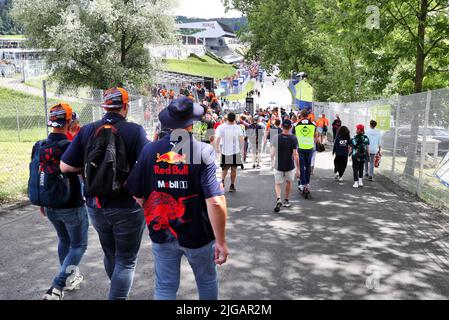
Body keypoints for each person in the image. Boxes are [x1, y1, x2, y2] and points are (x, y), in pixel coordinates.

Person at [127, 97, 228, 300]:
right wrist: (221, 241)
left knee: (165, 287)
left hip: (162, 232)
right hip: (199, 236)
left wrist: (156, 211)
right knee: (207, 282)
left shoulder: (149, 150)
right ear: (192, 123)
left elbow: (137, 195)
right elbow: (215, 201)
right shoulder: (203, 151)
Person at [60, 87, 148, 300]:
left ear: (105, 106)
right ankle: (118, 294)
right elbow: (147, 164)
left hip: (96, 205)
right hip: (127, 206)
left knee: (110, 253)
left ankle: (117, 287)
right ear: (125, 107)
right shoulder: (135, 131)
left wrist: (91, 171)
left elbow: (64, 167)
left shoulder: (87, 130)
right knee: (126, 260)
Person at [33, 104, 88, 300]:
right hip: (71, 204)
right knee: (79, 245)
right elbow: (83, 171)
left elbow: (38, 174)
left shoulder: (40, 145)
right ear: (68, 121)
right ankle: (56, 287)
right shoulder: (69, 146)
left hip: (49, 204)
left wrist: (41, 201)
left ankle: (70, 278)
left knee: (64, 240)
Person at [270, 119, 300, 213]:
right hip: (289, 165)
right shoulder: (294, 138)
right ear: (290, 127)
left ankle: (278, 198)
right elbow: (295, 155)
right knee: (288, 182)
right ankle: (286, 200)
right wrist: (298, 169)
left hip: (278, 165)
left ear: (282, 126)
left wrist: (272, 162)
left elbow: (272, 153)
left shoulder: (276, 137)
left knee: (277, 183)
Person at [216, 112, 244, 192]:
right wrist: (242, 149)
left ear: (227, 118)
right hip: (235, 151)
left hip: (225, 151)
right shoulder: (238, 127)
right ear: (234, 118)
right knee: (234, 169)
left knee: (224, 169)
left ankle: (222, 181)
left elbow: (217, 138)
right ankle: (232, 185)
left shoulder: (222, 127)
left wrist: (217, 148)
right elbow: (242, 139)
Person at [294, 109, 319, 196]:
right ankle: (307, 183)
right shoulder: (313, 125)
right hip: (310, 148)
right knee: (308, 166)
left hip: (300, 148)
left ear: (300, 115)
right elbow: (316, 136)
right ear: (308, 116)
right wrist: (314, 143)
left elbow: (294, 137)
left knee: (301, 166)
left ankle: (303, 184)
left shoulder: (296, 125)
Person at [350, 124, 370, 189]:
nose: (356, 130)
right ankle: (360, 182)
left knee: (355, 168)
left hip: (355, 155)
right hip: (363, 155)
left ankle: (356, 182)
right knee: (361, 167)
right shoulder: (366, 138)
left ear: (359, 130)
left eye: (356, 129)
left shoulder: (354, 137)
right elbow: (367, 147)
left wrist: (349, 154)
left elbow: (351, 147)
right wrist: (368, 155)